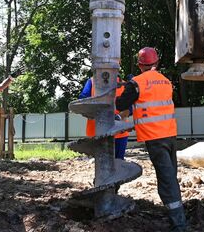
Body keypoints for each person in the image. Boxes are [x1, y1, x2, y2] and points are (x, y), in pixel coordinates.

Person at [116, 47, 187, 232]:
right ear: (156, 63)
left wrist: (128, 86)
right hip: (170, 135)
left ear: (140, 65)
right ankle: (178, 216)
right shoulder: (166, 81)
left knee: (166, 181)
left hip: (154, 137)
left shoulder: (137, 83)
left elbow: (121, 104)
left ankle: (179, 224)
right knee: (171, 176)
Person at [79, 75, 131, 159]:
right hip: (109, 132)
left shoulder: (123, 84)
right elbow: (83, 103)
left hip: (111, 133)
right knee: (112, 163)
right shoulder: (92, 81)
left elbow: (129, 109)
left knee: (105, 164)